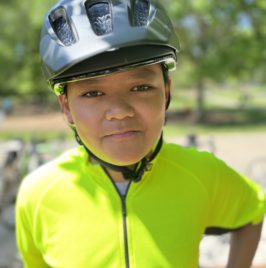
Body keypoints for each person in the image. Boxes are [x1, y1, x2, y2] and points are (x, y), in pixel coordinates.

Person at [15, 0, 266, 267]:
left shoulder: (202, 174)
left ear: (167, 92)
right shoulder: (38, 194)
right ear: (66, 107)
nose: (120, 111)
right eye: (93, 93)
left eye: (141, 87)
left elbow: (252, 211)